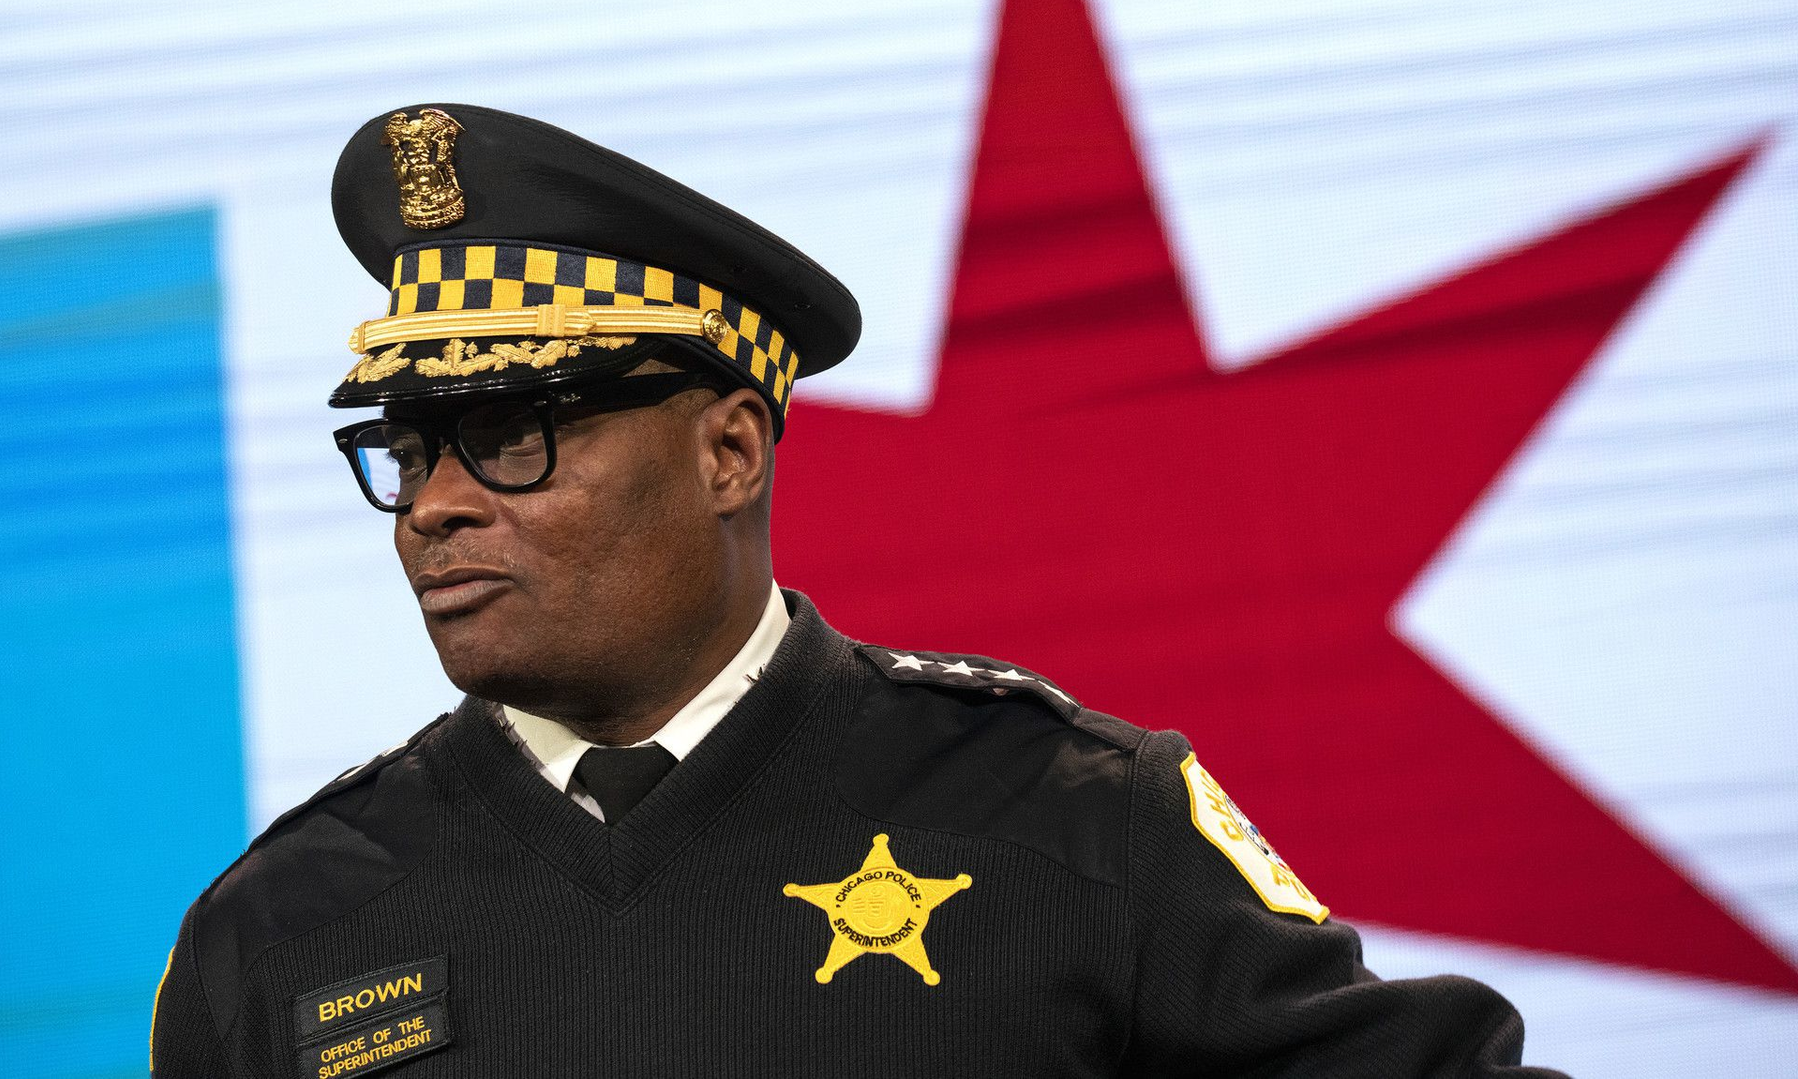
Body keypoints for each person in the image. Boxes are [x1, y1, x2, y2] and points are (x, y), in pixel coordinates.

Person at [150, 103, 1565, 1077]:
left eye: (512, 434)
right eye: (408, 450)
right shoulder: (277, 933)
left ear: (728, 451)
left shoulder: (1072, 818)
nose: (436, 504)